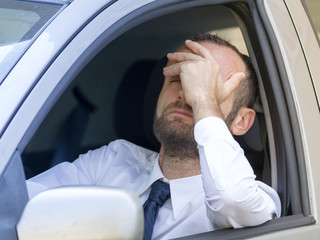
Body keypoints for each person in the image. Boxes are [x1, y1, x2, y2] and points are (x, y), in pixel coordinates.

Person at [27, 33, 281, 240]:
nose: (185, 94)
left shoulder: (254, 197)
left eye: (206, 84)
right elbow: (22, 202)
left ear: (242, 121)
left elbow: (230, 198)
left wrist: (203, 99)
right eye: (177, 78)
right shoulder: (114, 159)